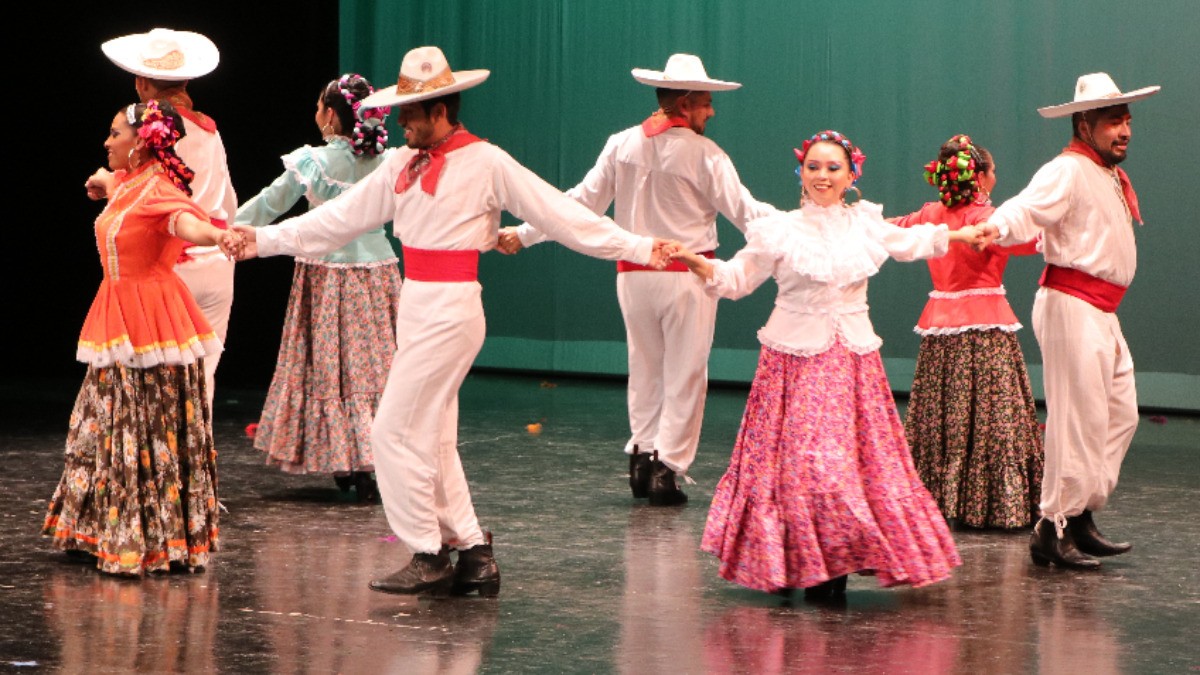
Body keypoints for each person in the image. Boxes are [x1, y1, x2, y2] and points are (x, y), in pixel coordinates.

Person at [228, 46, 669, 597]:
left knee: (392, 431)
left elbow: (564, 216)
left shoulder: (487, 161)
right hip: (415, 301)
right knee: (433, 438)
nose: (400, 123)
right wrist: (258, 240)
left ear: (440, 111)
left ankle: (428, 552)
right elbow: (333, 223)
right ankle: (474, 552)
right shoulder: (399, 164)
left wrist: (642, 247)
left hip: (452, 307)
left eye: (411, 113)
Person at [668, 130, 981, 600]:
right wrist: (696, 262)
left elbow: (912, 240)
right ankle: (797, 562)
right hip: (794, 363)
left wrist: (960, 234)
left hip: (851, 362)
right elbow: (737, 278)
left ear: (851, 176)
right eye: (813, 166)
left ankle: (833, 567)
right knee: (801, 468)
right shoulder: (780, 229)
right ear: (801, 172)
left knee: (845, 469)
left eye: (834, 168)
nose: (822, 176)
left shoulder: (865, 224)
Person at [497, 54, 779, 506]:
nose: (711, 111)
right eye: (705, 102)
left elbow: (578, 206)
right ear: (684, 103)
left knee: (645, 368)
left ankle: (642, 459)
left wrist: (524, 233)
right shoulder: (707, 155)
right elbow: (749, 215)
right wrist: (803, 228)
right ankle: (667, 469)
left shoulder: (622, 144)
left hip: (634, 278)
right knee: (685, 373)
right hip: (687, 275)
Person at [44, 99, 237, 575]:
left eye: (115, 134)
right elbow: (124, 198)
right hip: (117, 312)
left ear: (142, 142)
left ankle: (148, 537)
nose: (106, 141)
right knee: (106, 423)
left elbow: (186, 223)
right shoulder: (130, 183)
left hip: (150, 319)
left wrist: (218, 236)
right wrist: (106, 183)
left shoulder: (159, 191)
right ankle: (96, 527)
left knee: (142, 426)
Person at [980, 72, 1162, 569]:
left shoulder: (1102, 172)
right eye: (1113, 121)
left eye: (1127, 121)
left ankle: (1078, 513)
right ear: (1084, 125)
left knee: (1119, 415)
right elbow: (1026, 208)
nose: (1124, 131)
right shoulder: (1068, 169)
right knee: (1076, 420)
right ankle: (1053, 525)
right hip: (1072, 302)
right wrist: (995, 227)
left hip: (1100, 308)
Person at [235, 74, 400, 502]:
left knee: (333, 369)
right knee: (373, 367)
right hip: (378, 273)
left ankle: (349, 459)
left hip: (329, 275)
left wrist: (223, 230)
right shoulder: (388, 161)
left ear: (329, 115)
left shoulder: (316, 162)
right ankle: (370, 461)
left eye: (318, 106)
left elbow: (269, 203)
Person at [890, 134, 1043, 529]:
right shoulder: (987, 219)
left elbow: (891, 230)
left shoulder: (930, 215)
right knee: (993, 418)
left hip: (941, 332)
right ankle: (994, 504)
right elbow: (1029, 240)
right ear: (982, 177)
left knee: (943, 419)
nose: (996, 178)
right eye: (993, 172)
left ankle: (938, 499)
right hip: (985, 329)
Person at [89, 28, 239, 419]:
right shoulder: (209, 130)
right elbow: (228, 201)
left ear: (141, 83)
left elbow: (146, 196)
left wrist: (111, 183)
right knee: (201, 379)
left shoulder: (152, 135)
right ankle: (197, 456)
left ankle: (155, 456)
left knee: (157, 385)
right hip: (216, 264)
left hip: (169, 268)